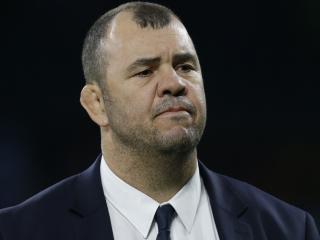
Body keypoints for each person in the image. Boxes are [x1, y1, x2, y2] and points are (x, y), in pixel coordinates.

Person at [0, 2, 319, 239]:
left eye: (185, 66)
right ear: (96, 104)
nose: (174, 83)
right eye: (145, 71)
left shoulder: (289, 229)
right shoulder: (19, 231)